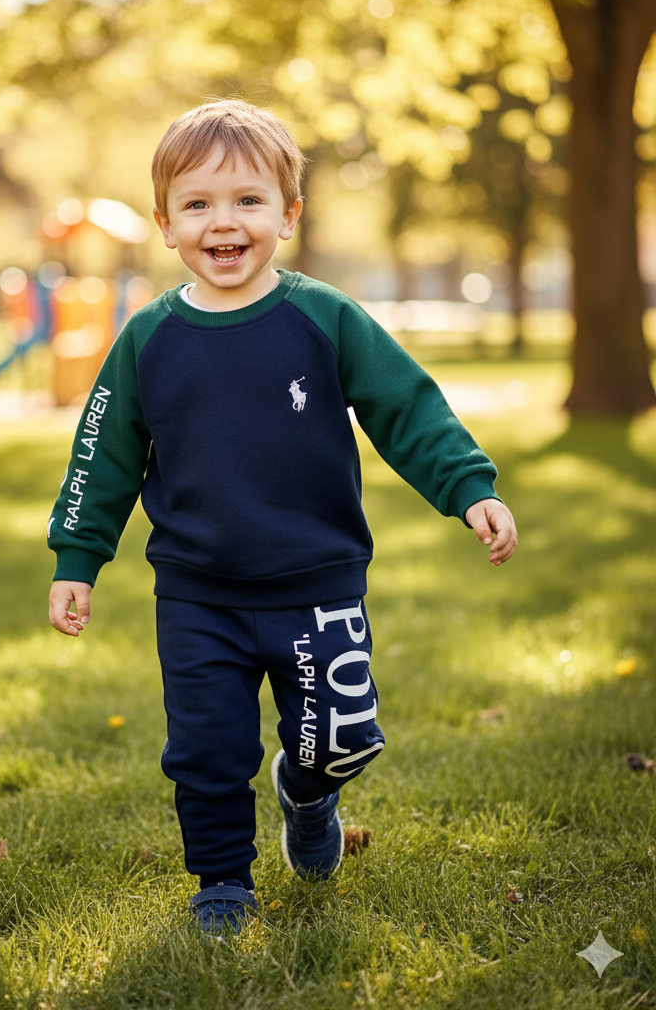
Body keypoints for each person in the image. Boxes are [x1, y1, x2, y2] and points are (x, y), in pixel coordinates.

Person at [46, 99, 518, 935]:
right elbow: (102, 456)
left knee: (338, 739)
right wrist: (76, 561)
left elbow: (406, 408)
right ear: (165, 225)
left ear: (289, 214)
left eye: (247, 202)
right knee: (207, 752)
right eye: (197, 205)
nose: (223, 223)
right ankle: (222, 883)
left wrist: (469, 487)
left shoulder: (323, 318)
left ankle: (307, 797)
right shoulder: (148, 338)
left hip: (316, 579)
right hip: (199, 594)